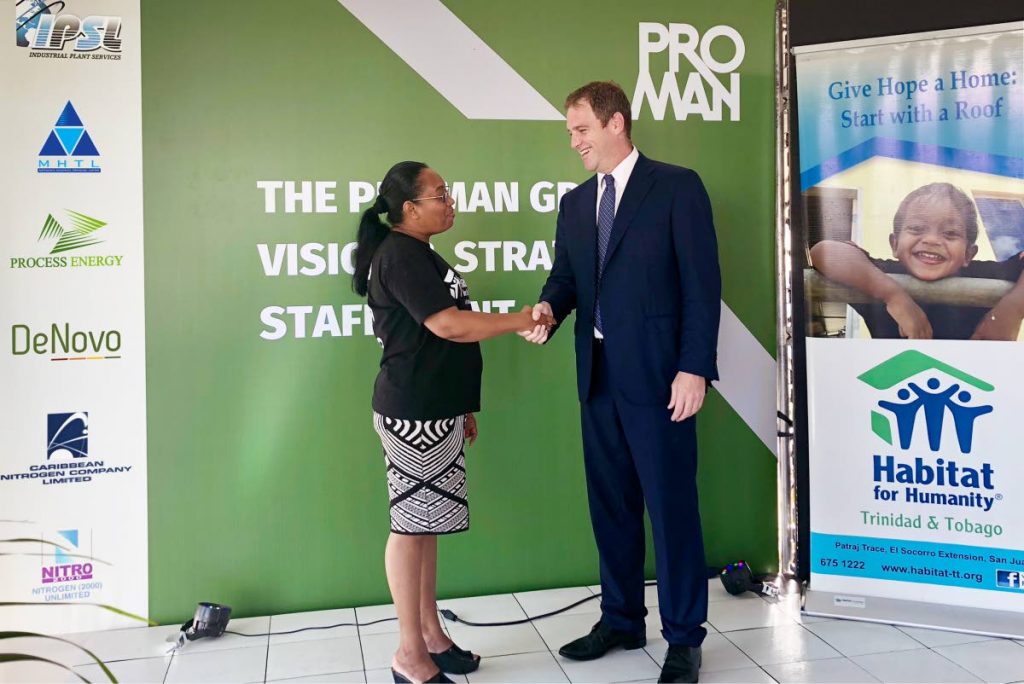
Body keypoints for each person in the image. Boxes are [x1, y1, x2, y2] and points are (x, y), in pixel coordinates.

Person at [520, 82, 721, 684]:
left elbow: (701, 287)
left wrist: (695, 368)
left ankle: (684, 636)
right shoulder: (577, 204)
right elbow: (567, 280)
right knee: (611, 507)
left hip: (663, 380)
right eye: (570, 132)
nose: (574, 141)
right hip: (598, 378)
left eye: (581, 129)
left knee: (671, 508)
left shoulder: (677, 186)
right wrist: (549, 309)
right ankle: (622, 618)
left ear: (617, 124)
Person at [353, 161, 554, 684]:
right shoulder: (399, 254)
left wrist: (460, 404)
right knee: (409, 527)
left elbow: (434, 336)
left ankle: (431, 635)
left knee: (426, 526)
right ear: (409, 208)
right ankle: (408, 655)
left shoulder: (418, 252)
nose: (450, 201)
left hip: (435, 408)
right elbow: (446, 325)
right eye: (440, 194)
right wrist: (520, 319)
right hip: (411, 411)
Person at [809, 182, 1024, 340]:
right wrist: (893, 296)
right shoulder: (882, 274)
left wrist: (1012, 309)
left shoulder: (985, 275)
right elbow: (824, 252)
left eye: (950, 233)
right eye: (916, 228)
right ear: (894, 244)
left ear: (968, 254)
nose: (931, 240)